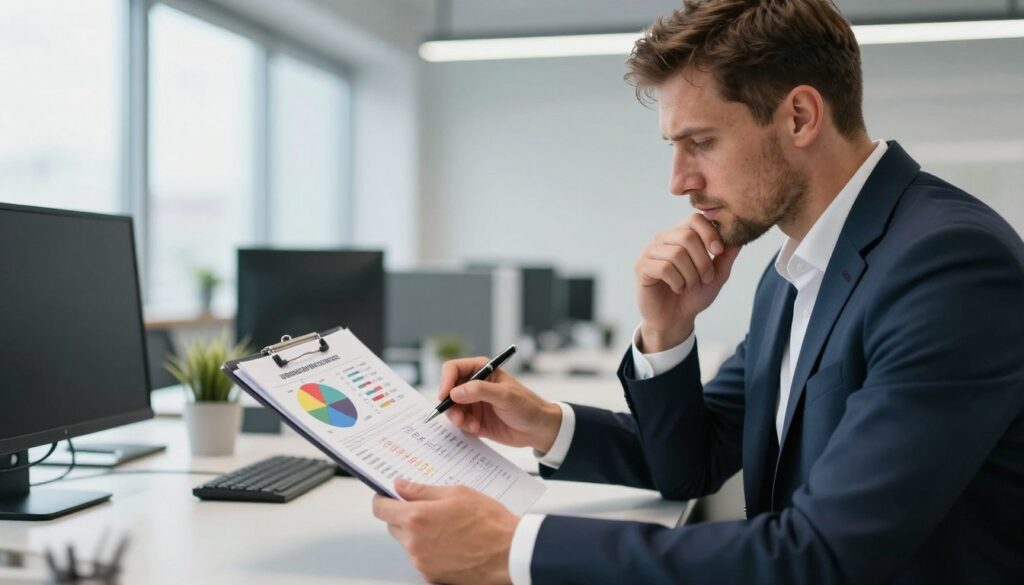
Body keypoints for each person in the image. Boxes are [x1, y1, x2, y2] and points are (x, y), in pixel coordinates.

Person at [372, 0, 1024, 583]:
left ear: (799, 115)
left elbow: (824, 553)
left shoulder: (946, 265)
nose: (679, 181)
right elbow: (698, 460)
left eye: (700, 143)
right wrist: (646, 346)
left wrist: (513, 549)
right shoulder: (797, 267)